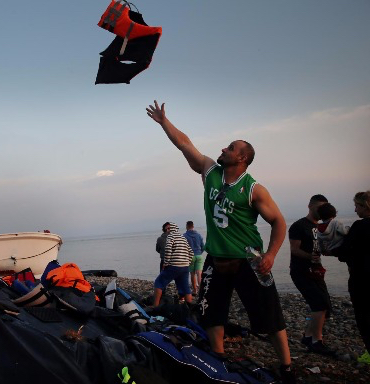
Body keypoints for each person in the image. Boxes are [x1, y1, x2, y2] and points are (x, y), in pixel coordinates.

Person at [146, 100, 294, 383]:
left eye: (230, 147)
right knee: (211, 312)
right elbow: (185, 144)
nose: (224, 149)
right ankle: (218, 358)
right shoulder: (210, 173)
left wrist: (272, 254)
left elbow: (279, 222)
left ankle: (287, 367)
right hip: (215, 258)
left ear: (242, 159)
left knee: (269, 316)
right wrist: (165, 122)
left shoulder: (254, 189)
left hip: (248, 259)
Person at [288, 195, 335, 355]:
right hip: (300, 271)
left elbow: (324, 247)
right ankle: (317, 341)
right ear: (310, 206)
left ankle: (308, 337)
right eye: (319, 208)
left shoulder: (323, 227)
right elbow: (294, 249)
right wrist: (309, 256)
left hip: (316, 270)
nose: (322, 211)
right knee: (319, 304)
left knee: (325, 305)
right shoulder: (298, 226)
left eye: (324, 208)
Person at [328, 191, 370, 365]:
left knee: (364, 316)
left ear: (365, 206)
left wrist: (328, 251)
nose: (355, 209)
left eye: (357, 206)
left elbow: (345, 250)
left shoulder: (360, 226)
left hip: (362, 278)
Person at [152, 222, 193, 306]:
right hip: (185, 267)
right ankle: (190, 308)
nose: (168, 230)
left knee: (158, 282)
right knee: (186, 288)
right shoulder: (183, 237)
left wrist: (166, 263)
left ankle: (155, 306)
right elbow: (191, 252)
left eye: (169, 229)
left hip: (174, 266)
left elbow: (168, 250)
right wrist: (187, 262)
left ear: (171, 229)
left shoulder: (171, 236)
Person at [183, 221, 205, 295]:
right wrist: (199, 252)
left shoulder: (184, 236)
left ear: (187, 226)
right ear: (193, 226)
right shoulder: (198, 235)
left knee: (192, 274)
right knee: (199, 273)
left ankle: (195, 290)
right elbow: (203, 246)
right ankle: (201, 291)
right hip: (199, 255)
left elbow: (183, 248)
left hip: (190, 256)